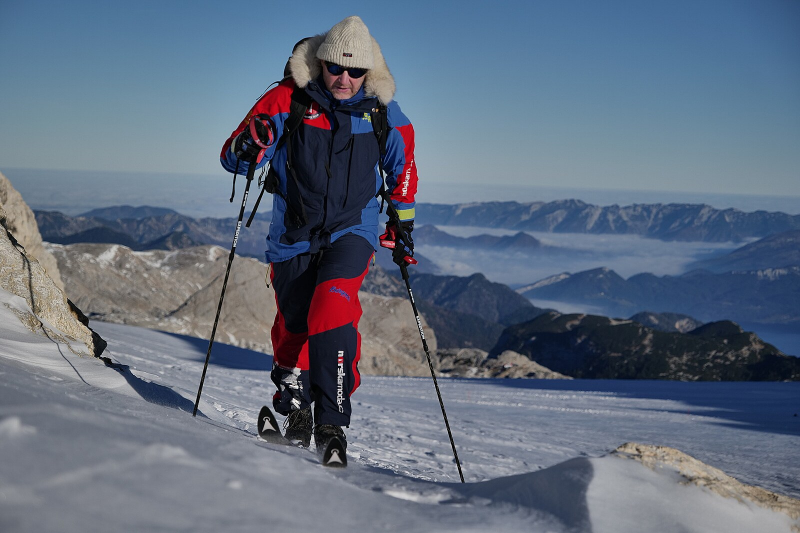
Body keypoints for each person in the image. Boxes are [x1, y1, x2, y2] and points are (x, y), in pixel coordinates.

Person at [220, 16, 418, 458]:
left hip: (354, 230)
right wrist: (247, 149)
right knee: (294, 324)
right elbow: (233, 158)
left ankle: (332, 421)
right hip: (293, 233)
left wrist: (401, 224)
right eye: (334, 67)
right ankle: (293, 395)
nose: (344, 79)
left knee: (332, 308)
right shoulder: (287, 98)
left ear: (369, 73)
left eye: (355, 71)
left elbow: (402, 170)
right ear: (320, 61)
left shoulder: (382, 112)